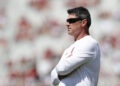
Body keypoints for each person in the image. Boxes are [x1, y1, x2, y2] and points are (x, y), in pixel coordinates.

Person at [51, 6, 100, 86]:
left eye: (71, 21)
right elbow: (53, 78)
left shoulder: (90, 43)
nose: (67, 24)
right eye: (67, 21)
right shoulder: (69, 48)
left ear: (83, 23)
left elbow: (61, 69)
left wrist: (62, 72)